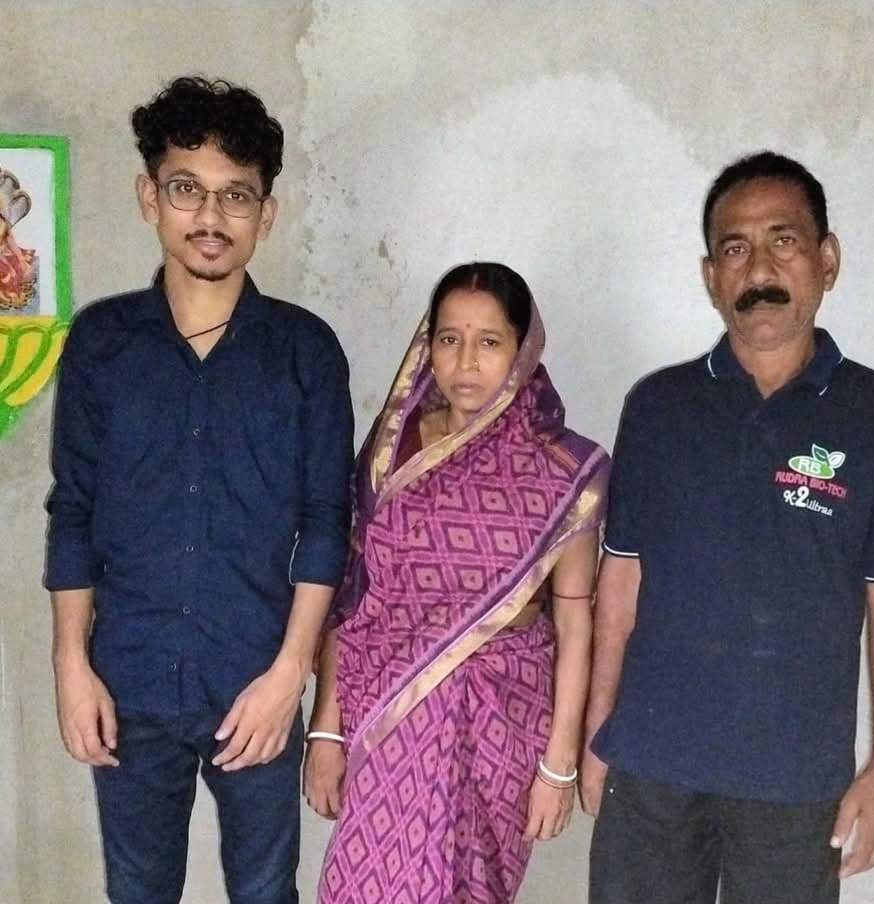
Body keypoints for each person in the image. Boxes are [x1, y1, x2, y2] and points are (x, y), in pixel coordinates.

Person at [583, 151, 874, 904]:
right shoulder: (658, 407)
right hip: (651, 766)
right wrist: (596, 731)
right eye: (735, 248)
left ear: (826, 259)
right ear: (711, 275)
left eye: (783, 240)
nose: (759, 269)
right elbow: (621, 579)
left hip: (794, 780)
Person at [44, 76, 353, 904]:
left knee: (264, 892)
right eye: (187, 189)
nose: (210, 217)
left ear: (267, 214)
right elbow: (71, 508)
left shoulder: (305, 353)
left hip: (255, 680)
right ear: (151, 196)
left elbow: (328, 523)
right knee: (138, 893)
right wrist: (71, 664)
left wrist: (290, 675)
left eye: (236, 196)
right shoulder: (103, 345)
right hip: (130, 685)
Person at [304, 262, 609, 903]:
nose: (466, 361)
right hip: (391, 713)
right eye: (449, 338)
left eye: (490, 341)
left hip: (503, 718)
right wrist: (326, 730)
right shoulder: (393, 453)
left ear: (522, 350)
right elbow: (355, 597)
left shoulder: (565, 469)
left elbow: (576, 618)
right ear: (428, 346)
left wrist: (559, 764)